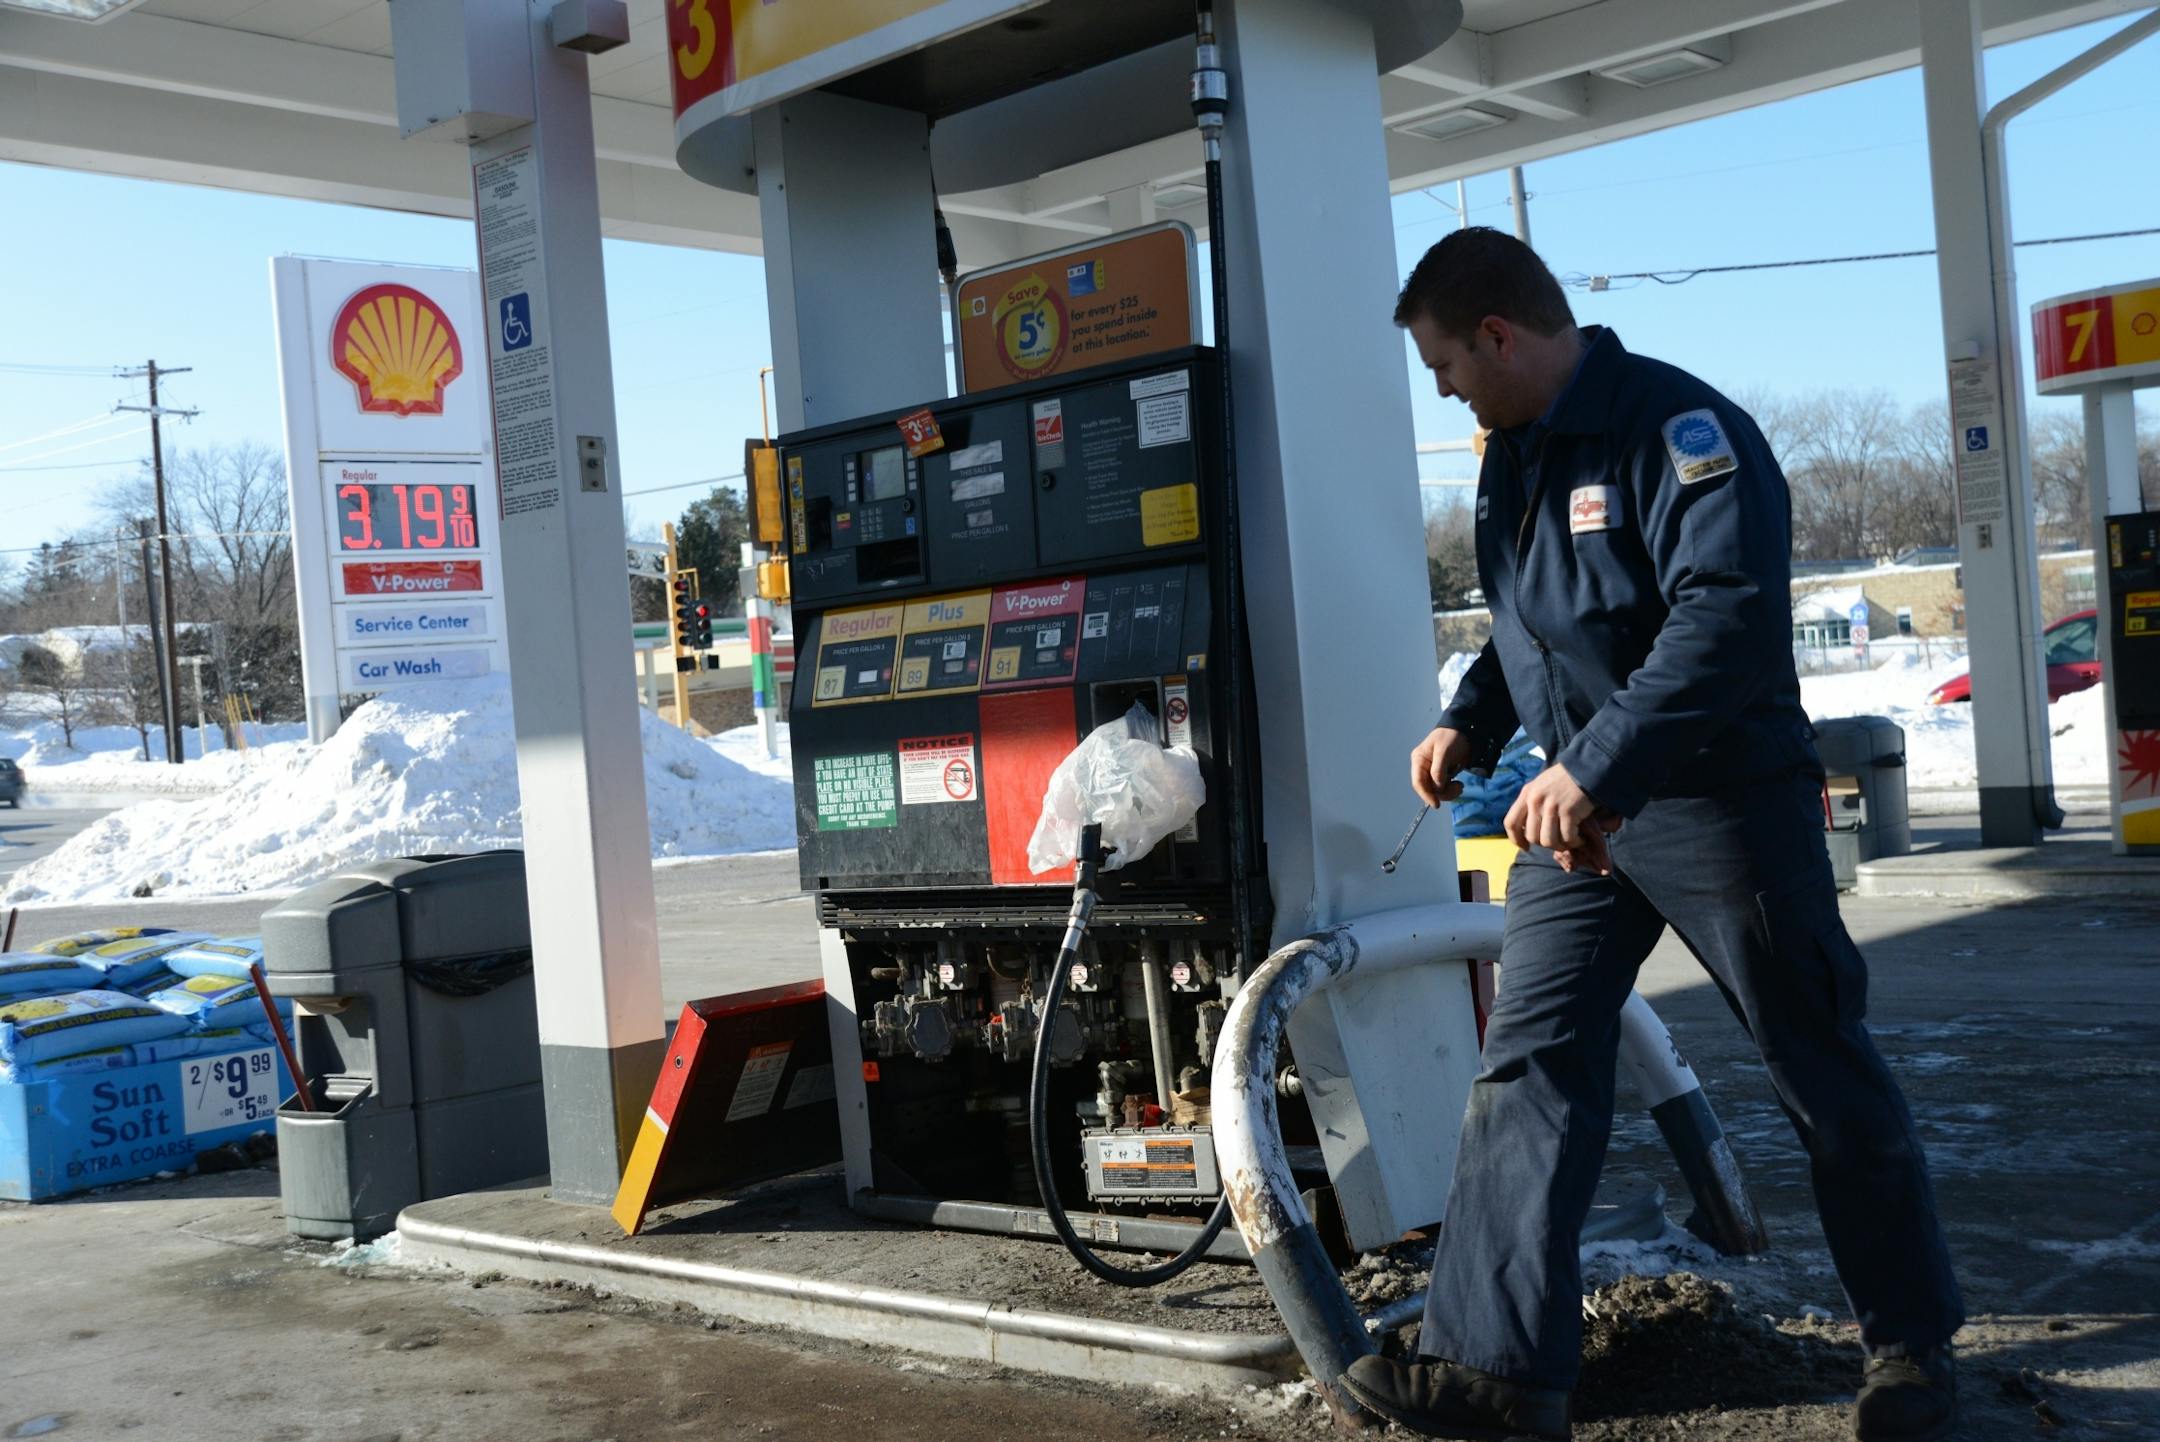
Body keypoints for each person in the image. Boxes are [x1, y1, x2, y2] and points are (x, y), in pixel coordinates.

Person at [1337, 229, 1963, 1442]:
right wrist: (1473, 718)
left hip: (1716, 802)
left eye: (1447, 364)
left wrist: (1595, 764)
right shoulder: (1514, 455)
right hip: (1577, 824)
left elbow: (1721, 619)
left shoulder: (1679, 432)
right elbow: (1538, 616)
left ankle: (1912, 1353)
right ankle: (1496, 1373)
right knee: (1529, 1069)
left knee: (1813, 1060)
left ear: (1501, 335)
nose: (1444, 388)